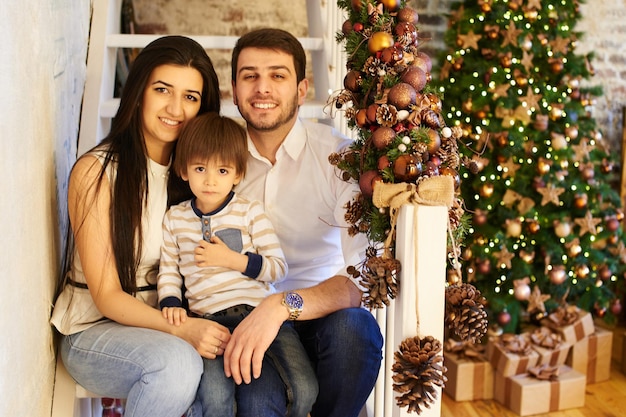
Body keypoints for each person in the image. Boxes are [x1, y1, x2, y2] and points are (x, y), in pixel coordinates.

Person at [50, 35, 231, 417]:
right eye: (163, 90)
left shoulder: (199, 180)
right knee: (178, 365)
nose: (175, 108)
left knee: (225, 378)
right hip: (93, 330)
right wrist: (183, 330)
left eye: (191, 97)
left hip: (170, 323)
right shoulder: (97, 172)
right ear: (139, 92)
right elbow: (107, 296)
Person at [222, 28, 384, 417]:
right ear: (233, 88)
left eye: (277, 75)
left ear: (301, 89)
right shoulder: (217, 160)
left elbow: (360, 277)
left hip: (321, 318)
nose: (262, 88)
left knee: (357, 330)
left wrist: (281, 305)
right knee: (259, 405)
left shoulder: (337, 160)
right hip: (245, 319)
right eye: (250, 76)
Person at [157, 112, 318, 417]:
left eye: (221, 170)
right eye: (200, 168)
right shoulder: (175, 218)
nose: (210, 180)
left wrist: (233, 260)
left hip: (258, 315)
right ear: (183, 170)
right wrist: (171, 302)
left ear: (237, 174)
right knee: (216, 399)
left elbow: (277, 268)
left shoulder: (249, 211)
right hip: (209, 321)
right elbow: (168, 269)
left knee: (304, 388)